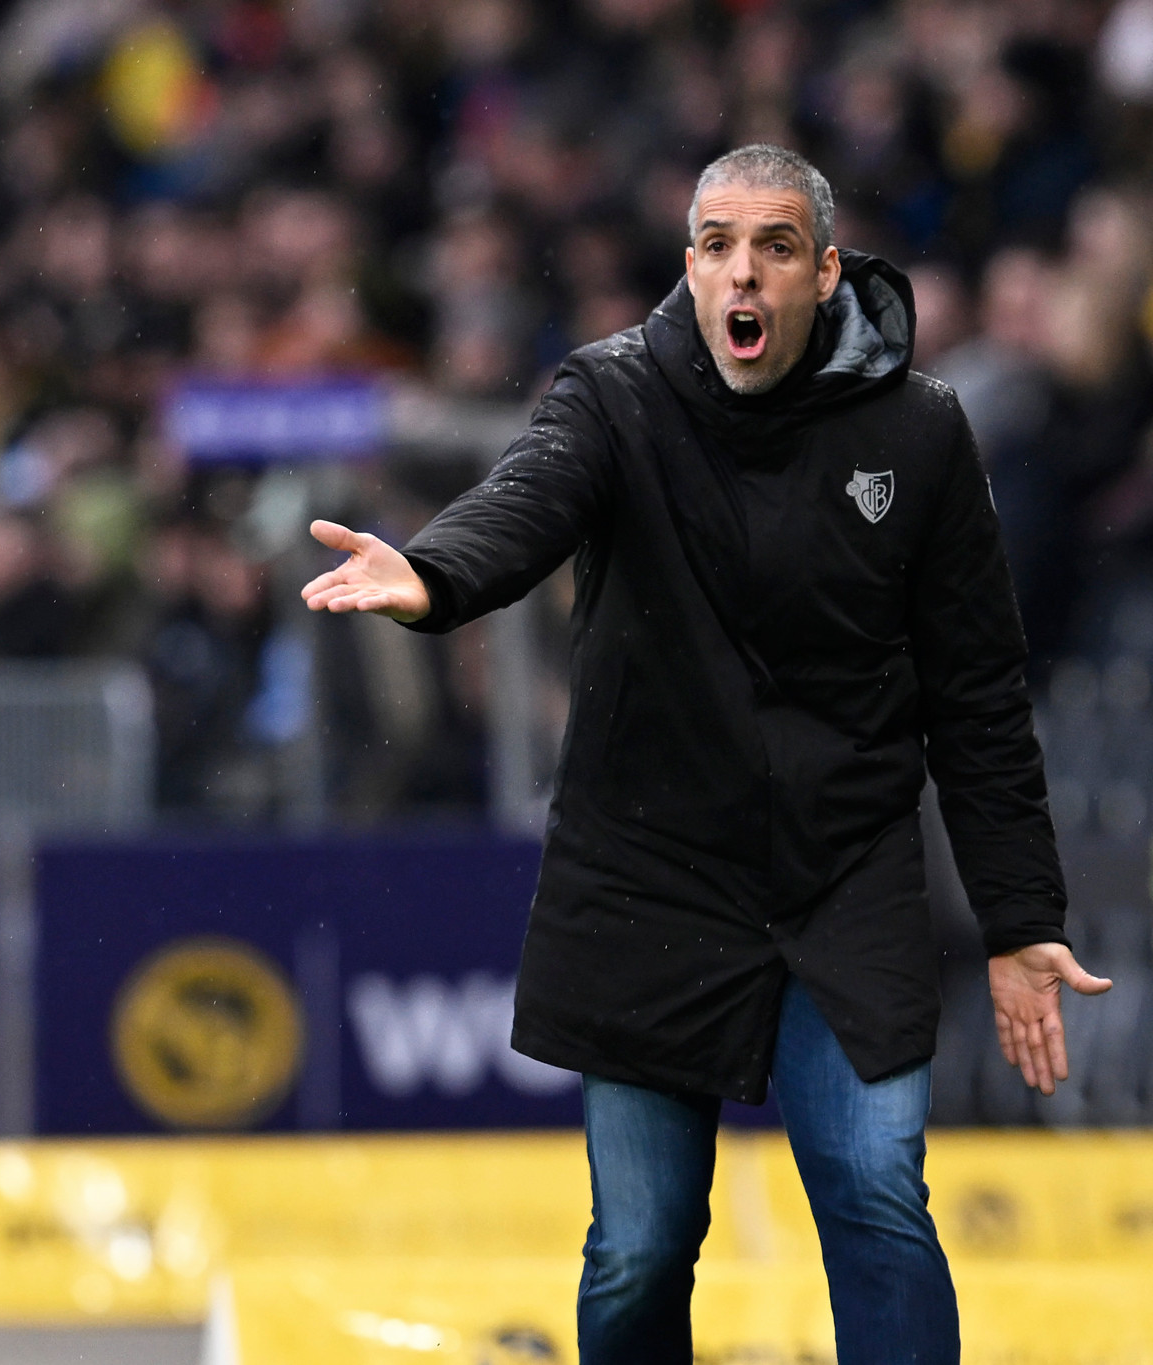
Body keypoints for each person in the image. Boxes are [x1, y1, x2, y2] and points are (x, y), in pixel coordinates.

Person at [303, 145, 1108, 1362]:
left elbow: (978, 698)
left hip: (844, 879)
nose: (743, 271)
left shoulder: (921, 432)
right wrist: (431, 573)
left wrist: (1015, 916)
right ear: (688, 267)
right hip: (646, 878)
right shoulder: (608, 396)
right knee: (638, 1248)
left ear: (824, 272)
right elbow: (525, 501)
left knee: (879, 1201)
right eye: (717, 245)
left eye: (775, 247)